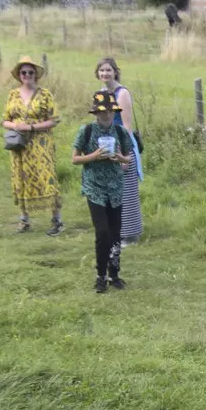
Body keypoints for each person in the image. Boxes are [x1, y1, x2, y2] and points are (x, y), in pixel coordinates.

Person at [71, 89, 136, 293]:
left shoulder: (120, 132)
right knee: (102, 232)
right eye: (101, 111)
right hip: (94, 188)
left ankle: (114, 274)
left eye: (109, 110)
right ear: (95, 113)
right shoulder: (86, 131)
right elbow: (75, 159)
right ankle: (101, 275)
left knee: (115, 233)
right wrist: (94, 156)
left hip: (116, 189)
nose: (105, 114)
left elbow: (129, 158)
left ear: (113, 111)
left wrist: (119, 158)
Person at [2, 56, 61, 234]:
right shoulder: (13, 94)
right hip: (18, 144)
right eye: (23, 72)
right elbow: (5, 120)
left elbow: (54, 120)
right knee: (21, 178)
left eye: (30, 72)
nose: (27, 75)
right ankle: (24, 219)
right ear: (19, 75)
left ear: (36, 75)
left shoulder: (45, 94)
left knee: (47, 177)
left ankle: (56, 220)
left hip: (40, 144)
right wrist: (16, 126)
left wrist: (32, 127)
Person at [95, 57, 143, 244]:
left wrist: (123, 155)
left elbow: (126, 126)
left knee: (126, 190)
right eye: (102, 70)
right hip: (106, 143)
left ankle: (130, 235)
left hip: (121, 144)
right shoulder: (100, 93)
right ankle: (115, 230)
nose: (105, 73)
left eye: (108, 70)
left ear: (115, 72)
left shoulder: (121, 93)